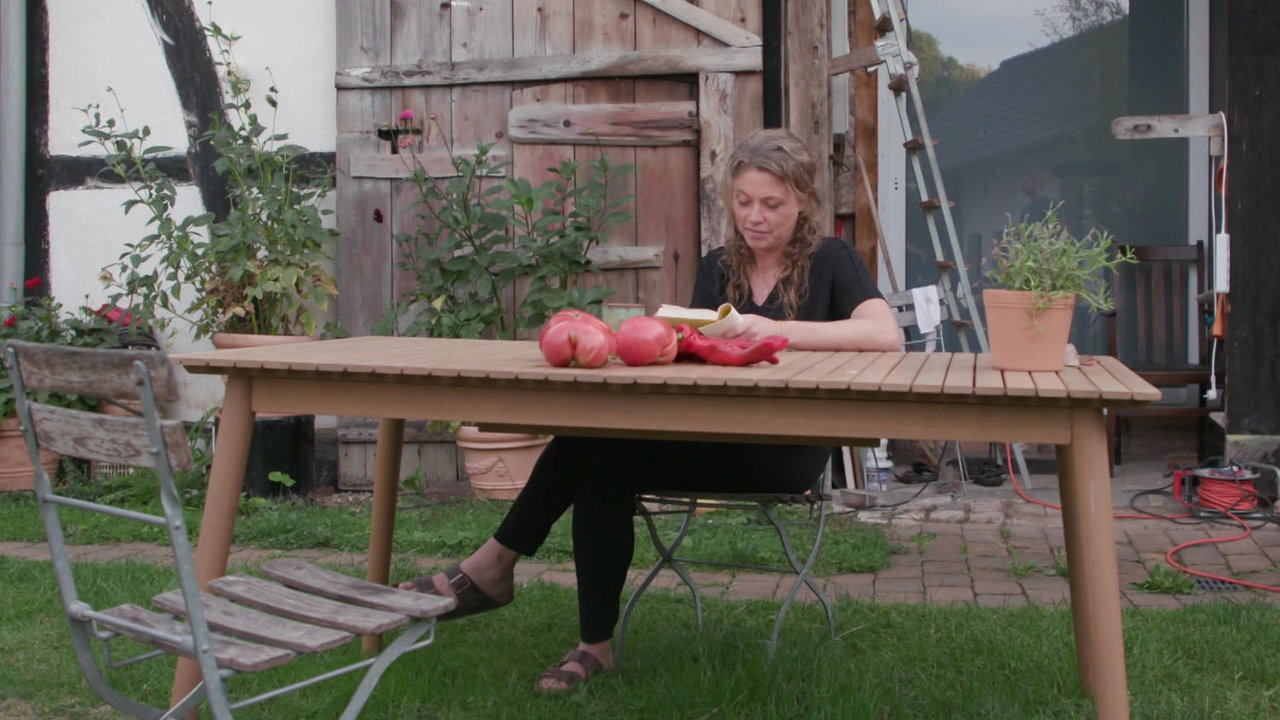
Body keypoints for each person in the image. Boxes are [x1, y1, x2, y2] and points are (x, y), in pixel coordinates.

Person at [397, 128, 902, 692]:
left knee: (591, 449)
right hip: (712, 437)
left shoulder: (830, 258)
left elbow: (884, 334)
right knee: (597, 448)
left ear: (802, 201)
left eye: (771, 204)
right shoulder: (719, 266)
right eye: (742, 202)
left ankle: (494, 569)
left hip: (784, 451)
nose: (754, 217)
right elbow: (699, 359)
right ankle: (593, 645)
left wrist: (774, 329)